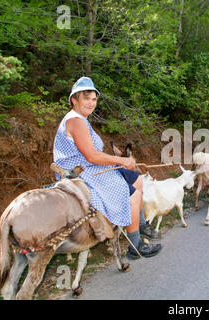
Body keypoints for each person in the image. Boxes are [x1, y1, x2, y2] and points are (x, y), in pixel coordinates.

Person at [53, 76, 161, 259]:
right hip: (81, 171)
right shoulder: (76, 121)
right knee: (132, 193)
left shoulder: (80, 119)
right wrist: (121, 161)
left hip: (89, 166)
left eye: (94, 99)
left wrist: (119, 162)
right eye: (86, 98)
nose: (91, 103)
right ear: (74, 99)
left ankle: (141, 225)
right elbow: (91, 156)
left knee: (137, 179)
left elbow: (92, 154)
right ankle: (135, 246)